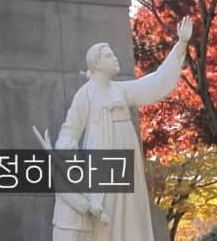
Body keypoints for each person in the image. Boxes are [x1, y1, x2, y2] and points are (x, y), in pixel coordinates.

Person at [35, 17, 192, 241]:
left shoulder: (121, 90)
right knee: (105, 214)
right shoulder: (86, 94)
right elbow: (70, 130)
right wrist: (63, 156)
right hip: (102, 160)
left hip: (128, 159)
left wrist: (181, 45)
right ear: (97, 64)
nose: (116, 58)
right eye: (109, 56)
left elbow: (154, 83)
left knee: (131, 214)